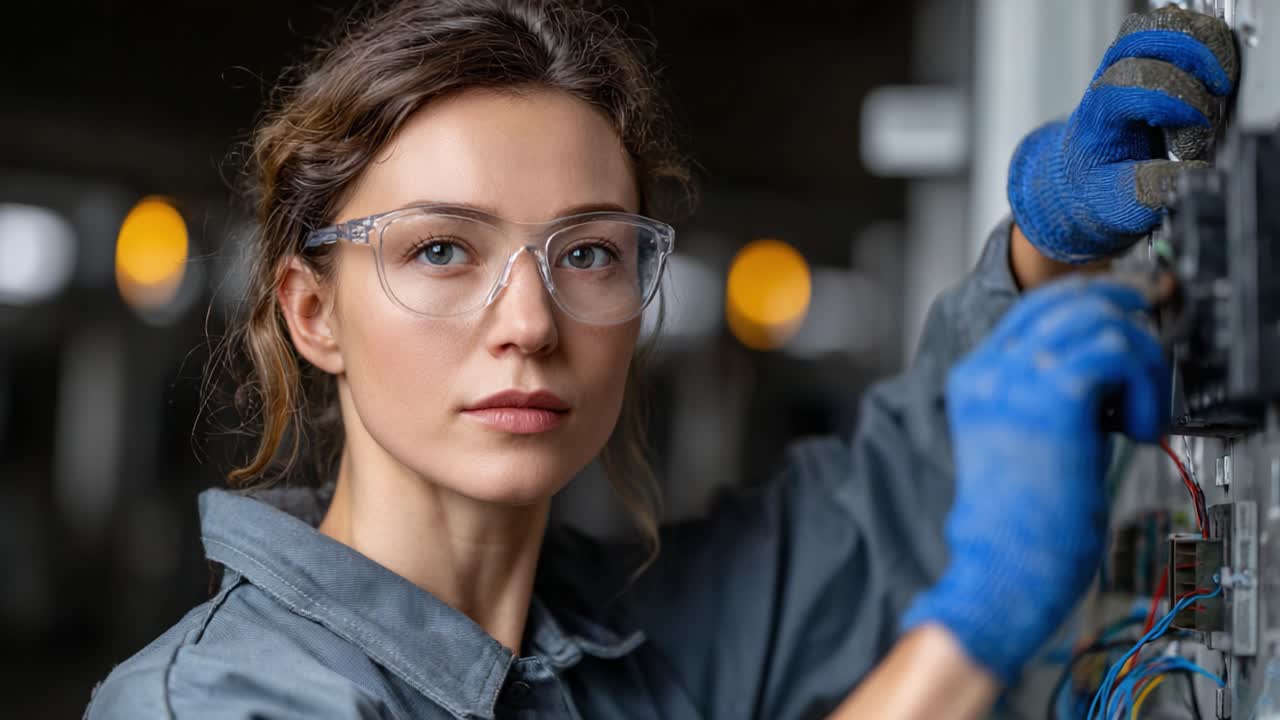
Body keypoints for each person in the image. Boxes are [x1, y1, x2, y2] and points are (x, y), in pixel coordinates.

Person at [84, 2, 1236, 718]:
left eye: (586, 252)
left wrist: (1045, 252)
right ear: (311, 313)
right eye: (441, 248)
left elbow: (889, 514)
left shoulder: (634, 652)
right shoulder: (216, 709)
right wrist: (963, 640)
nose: (528, 322)